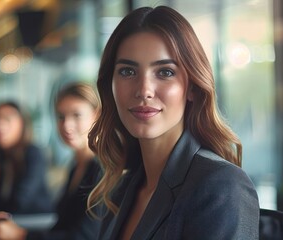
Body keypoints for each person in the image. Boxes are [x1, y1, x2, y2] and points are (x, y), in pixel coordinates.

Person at [86, 6, 259, 240]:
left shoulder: (221, 186)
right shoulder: (121, 189)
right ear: (110, 86)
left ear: (192, 89)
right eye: (127, 71)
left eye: (165, 72)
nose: (144, 90)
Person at [0, 82, 102, 240]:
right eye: (61, 116)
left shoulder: (102, 169)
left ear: (97, 116)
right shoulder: (76, 166)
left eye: (76, 115)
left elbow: (84, 237)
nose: (66, 125)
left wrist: (21, 235)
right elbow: (62, 226)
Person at [0, 101, 53, 219]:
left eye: (7, 119)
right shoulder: (2, 156)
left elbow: (19, 203)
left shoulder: (33, 154)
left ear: (23, 124)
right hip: (12, 220)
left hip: (36, 222)